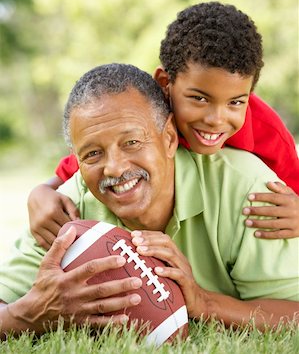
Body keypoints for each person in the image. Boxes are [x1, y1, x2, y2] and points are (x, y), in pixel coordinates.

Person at [0, 63, 298, 339]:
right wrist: (27, 314)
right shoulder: (66, 208)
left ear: (169, 138)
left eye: (131, 143)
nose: (114, 168)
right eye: (93, 154)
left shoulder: (250, 190)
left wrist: (205, 303)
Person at [27, 2, 299, 250]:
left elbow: (293, 188)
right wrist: (42, 192)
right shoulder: (148, 117)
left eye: (236, 102)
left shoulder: (268, 133)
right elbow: (92, 160)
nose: (216, 118)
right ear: (165, 83)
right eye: (200, 98)